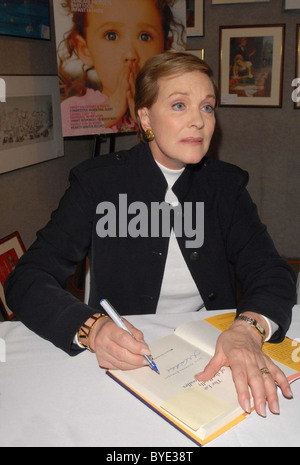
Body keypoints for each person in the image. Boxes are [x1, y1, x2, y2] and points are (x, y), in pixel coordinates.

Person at [5, 52, 295, 419]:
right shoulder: (98, 183)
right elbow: (26, 278)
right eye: (179, 105)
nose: (198, 121)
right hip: (124, 353)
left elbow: (270, 270)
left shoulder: (225, 186)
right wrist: (90, 328)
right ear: (146, 118)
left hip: (209, 350)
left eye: (207, 108)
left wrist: (248, 328)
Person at [57, 0, 185, 135]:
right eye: (111, 36)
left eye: (144, 36)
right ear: (84, 50)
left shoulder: (167, 106)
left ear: (165, 48)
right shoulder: (73, 109)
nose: (130, 54)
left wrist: (144, 117)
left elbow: (173, 142)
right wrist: (110, 111)